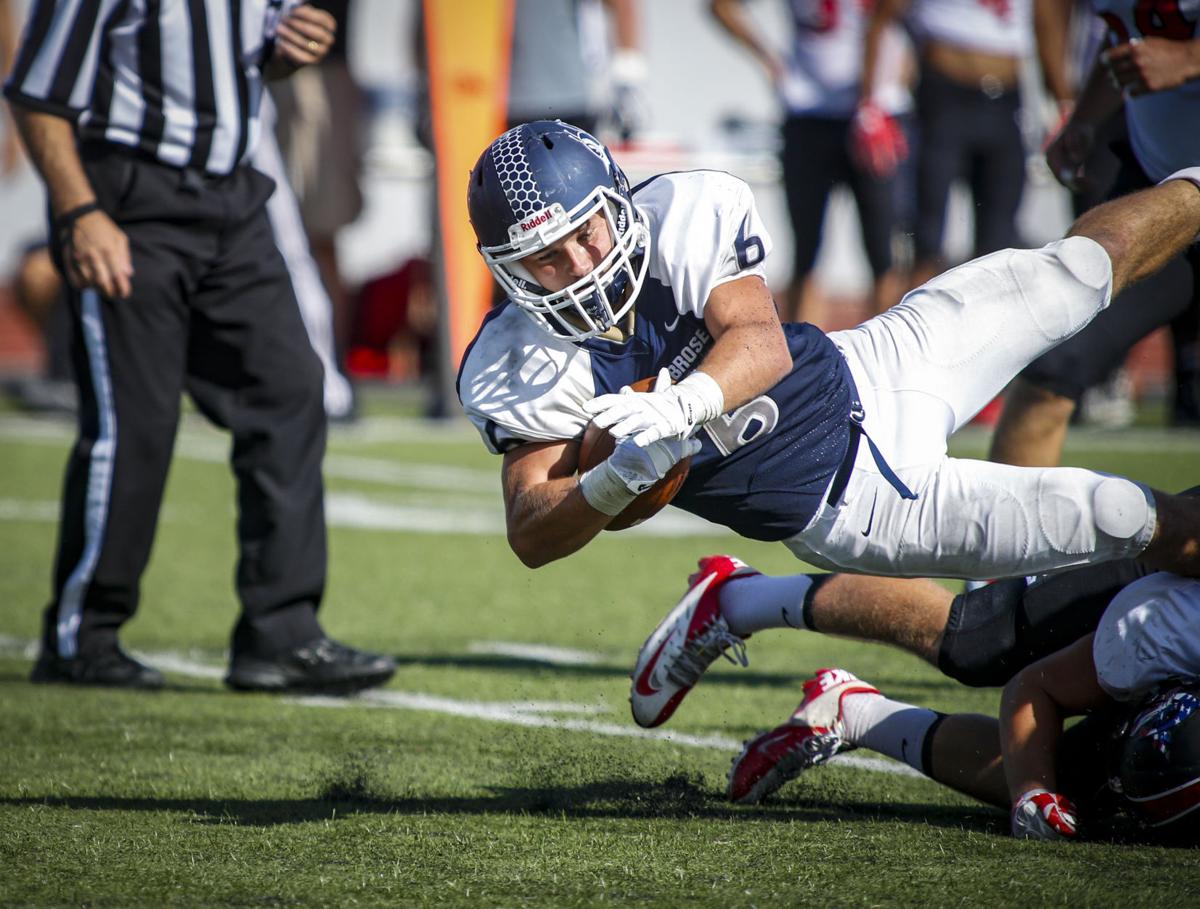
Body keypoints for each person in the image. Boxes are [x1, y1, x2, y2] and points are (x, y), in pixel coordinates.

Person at [458, 121, 1200, 591]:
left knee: (1073, 270)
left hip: (878, 360)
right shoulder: (515, 361)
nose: (581, 266)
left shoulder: (681, 213)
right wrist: (610, 483)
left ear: (618, 204)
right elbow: (531, 530)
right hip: (858, 502)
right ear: (509, 272)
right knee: (1119, 514)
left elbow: (761, 343)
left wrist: (681, 405)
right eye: (546, 258)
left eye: (587, 233)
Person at [4, 0, 396, 693]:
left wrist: (289, 48)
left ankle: (280, 634)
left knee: (290, 390)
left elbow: (248, 56)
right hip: (131, 198)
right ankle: (82, 636)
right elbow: (37, 92)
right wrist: (79, 211)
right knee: (136, 423)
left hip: (234, 200)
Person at [722, 573, 1200, 842]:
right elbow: (1035, 687)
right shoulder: (1156, 632)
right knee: (977, 641)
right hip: (1156, 567)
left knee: (1068, 782)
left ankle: (852, 711)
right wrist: (1034, 791)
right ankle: (738, 596)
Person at [992, 0, 1200, 466]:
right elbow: (1129, 31)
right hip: (1160, 187)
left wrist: (1188, 58)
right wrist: (1084, 119)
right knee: (1053, 361)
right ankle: (1003, 515)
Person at [710, 0, 911, 325]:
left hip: (876, 115)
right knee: (806, 253)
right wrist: (771, 62)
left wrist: (892, 81)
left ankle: (889, 351)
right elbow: (722, 7)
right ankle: (803, 352)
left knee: (883, 251)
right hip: (809, 115)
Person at [861, 0, 1073, 287]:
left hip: (1006, 98)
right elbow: (884, 18)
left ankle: (990, 316)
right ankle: (917, 313)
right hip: (944, 94)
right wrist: (873, 100)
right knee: (928, 237)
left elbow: (1047, 24)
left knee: (997, 244)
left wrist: (1064, 103)